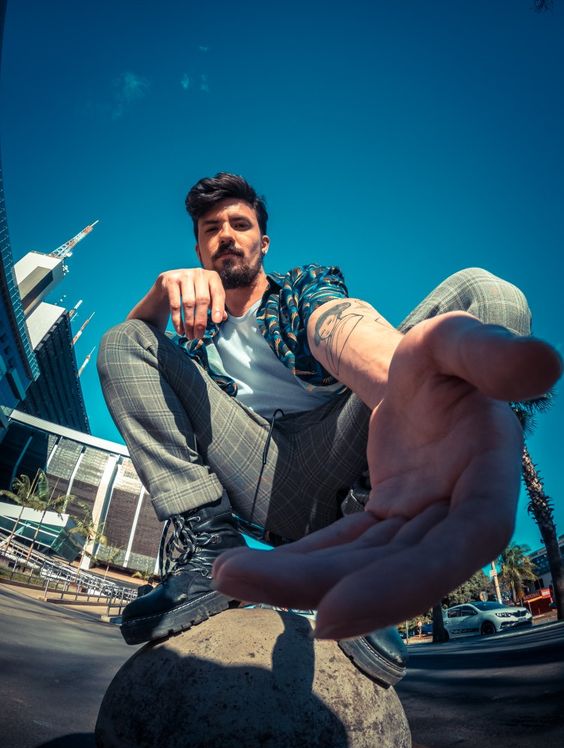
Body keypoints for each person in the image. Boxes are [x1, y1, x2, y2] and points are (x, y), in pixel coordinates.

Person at [98, 172, 561, 681]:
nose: (227, 235)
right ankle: (209, 552)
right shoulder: (192, 337)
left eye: (240, 223)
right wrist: (161, 295)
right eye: (212, 228)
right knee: (124, 339)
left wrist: (398, 388)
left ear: (263, 242)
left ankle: (384, 546)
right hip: (261, 475)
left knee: (484, 289)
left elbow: (333, 320)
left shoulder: (299, 288)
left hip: (351, 453)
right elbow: (132, 359)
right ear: (199, 246)